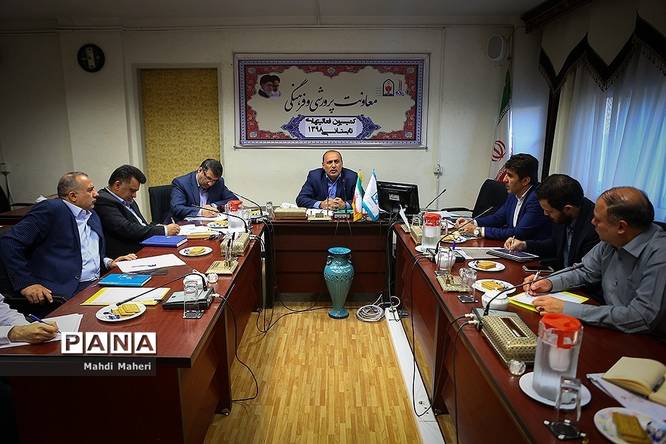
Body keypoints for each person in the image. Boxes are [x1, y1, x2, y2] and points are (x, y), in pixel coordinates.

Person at [524, 187, 666, 338]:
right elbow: (584, 271)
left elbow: (641, 317)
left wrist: (567, 309)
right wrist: (549, 282)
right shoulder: (611, 241)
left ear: (621, 227)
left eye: (598, 220)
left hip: (647, 342)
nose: (592, 222)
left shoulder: (660, 255)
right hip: (611, 329)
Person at [0, 172, 136, 305]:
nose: (96, 194)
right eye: (90, 190)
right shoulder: (52, 210)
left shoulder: (92, 214)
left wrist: (108, 262)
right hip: (65, 292)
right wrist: (26, 283)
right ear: (73, 196)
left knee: (136, 299)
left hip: (97, 283)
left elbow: (84, 252)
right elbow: (9, 242)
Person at [504, 174, 599, 269]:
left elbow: (584, 271)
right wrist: (524, 245)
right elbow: (555, 244)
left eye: (549, 211)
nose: (545, 214)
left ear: (568, 209)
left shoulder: (594, 227)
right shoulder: (564, 213)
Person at [456, 153, 551, 241]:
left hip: (531, 252)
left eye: (510, 176)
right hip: (512, 248)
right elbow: (498, 218)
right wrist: (472, 222)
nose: (504, 179)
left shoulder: (536, 199)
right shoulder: (514, 193)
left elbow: (519, 233)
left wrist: (478, 231)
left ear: (525, 181)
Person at [95, 165, 181, 258]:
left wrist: (159, 226)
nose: (134, 195)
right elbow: (126, 229)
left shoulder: (127, 199)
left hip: (144, 246)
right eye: (132, 191)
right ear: (117, 185)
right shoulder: (103, 200)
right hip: (129, 254)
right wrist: (164, 230)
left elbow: (141, 225)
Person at [171, 159, 237, 221]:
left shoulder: (218, 182)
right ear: (200, 170)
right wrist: (201, 212)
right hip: (186, 224)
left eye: (214, 180)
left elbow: (233, 199)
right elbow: (177, 208)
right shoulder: (181, 183)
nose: (210, 184)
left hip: (210, 224)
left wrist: (213, 205)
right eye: (208, 178)